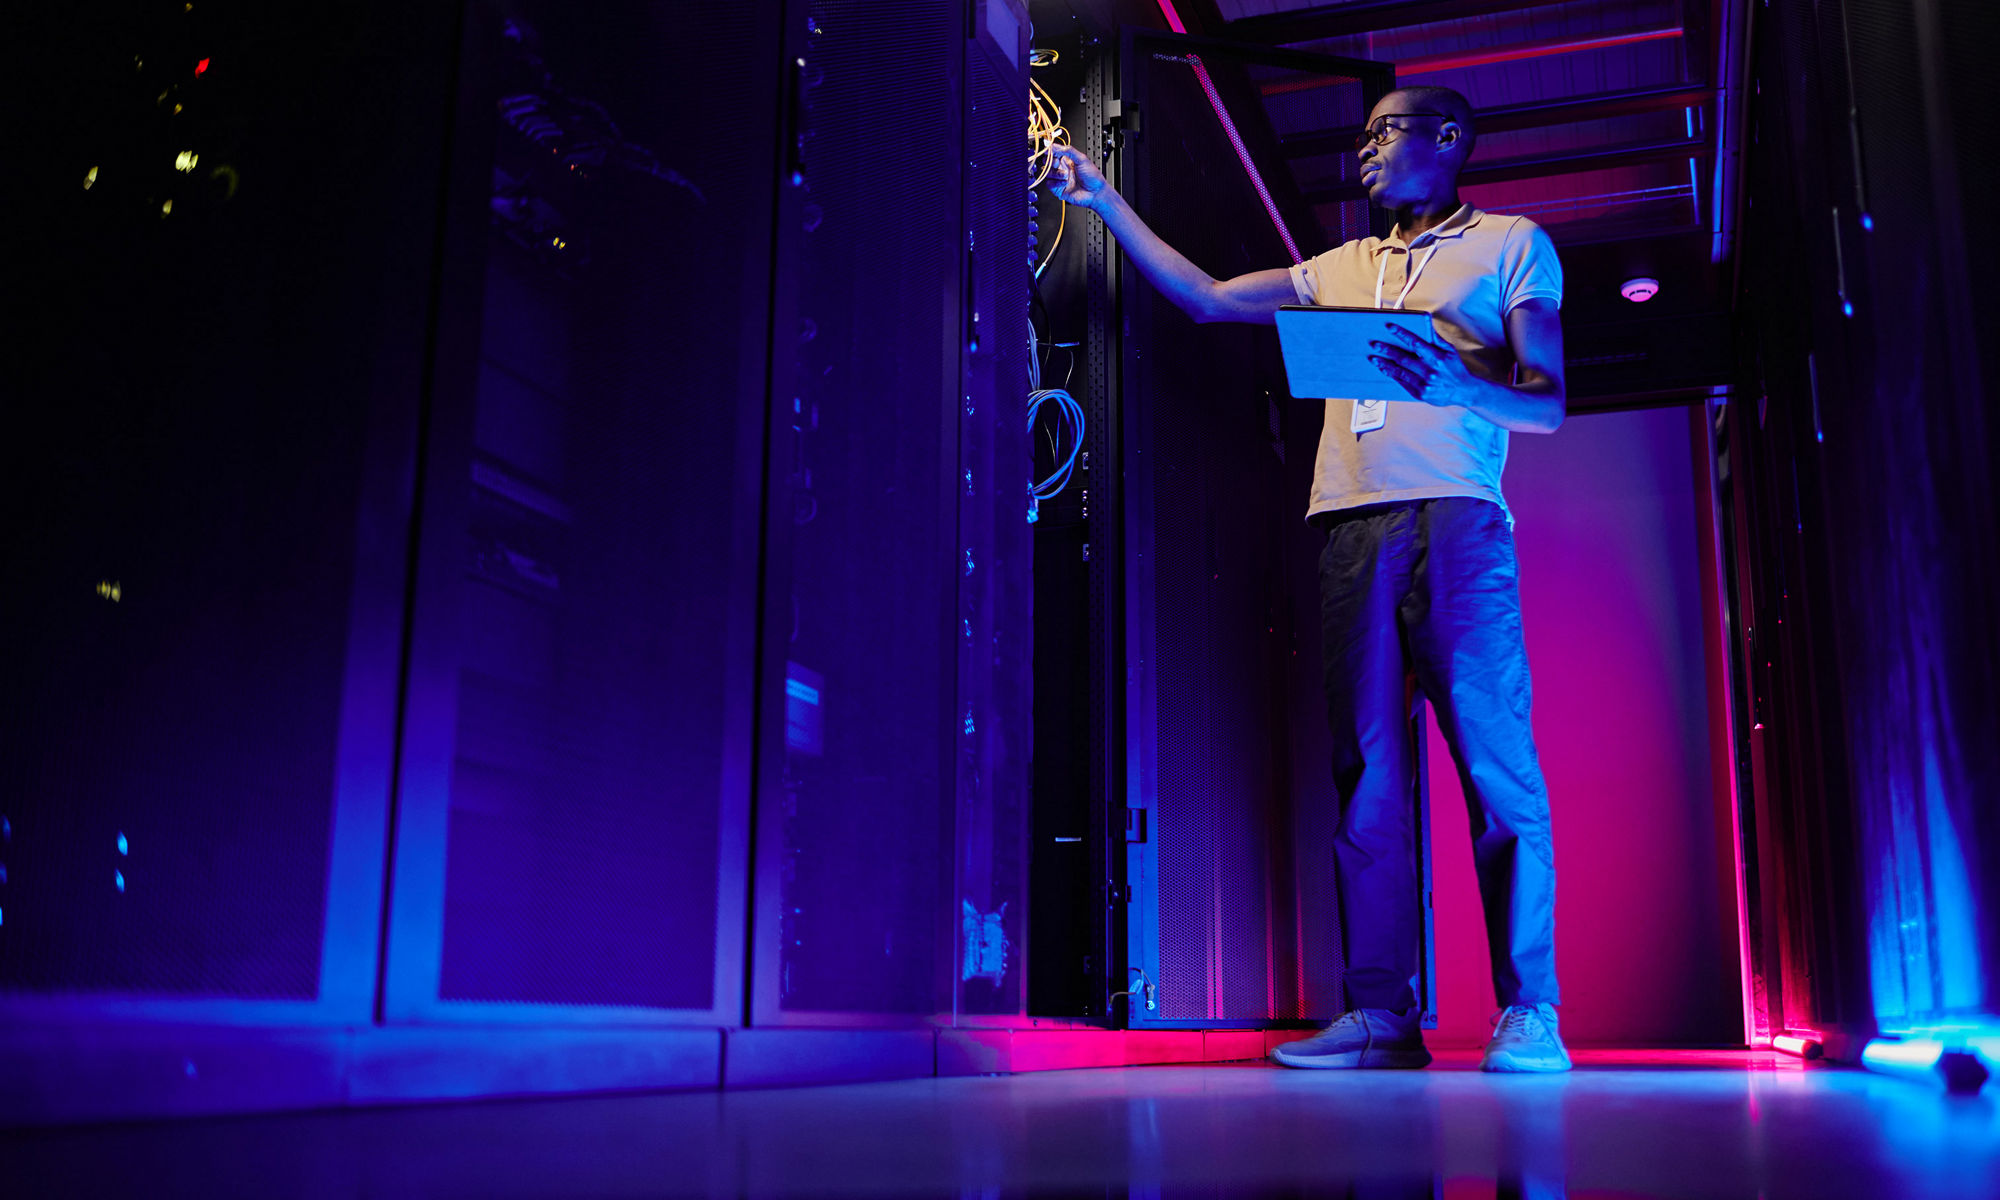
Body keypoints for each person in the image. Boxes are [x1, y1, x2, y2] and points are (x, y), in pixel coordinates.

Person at [1049, 85, 1572, 1073]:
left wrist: (1459, 380)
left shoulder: (1509, 244)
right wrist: (1106, 203)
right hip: (1346, 532)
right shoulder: (1337, 267)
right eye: (1364, 132)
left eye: (1386, 131)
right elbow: (1205, 301)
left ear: (1447, 140)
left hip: (1457, 527)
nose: (1365, 147)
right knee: (1366, 777)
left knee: (1497, 771)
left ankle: (1529, 1011)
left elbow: (1545, 404)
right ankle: (1380, 1017)